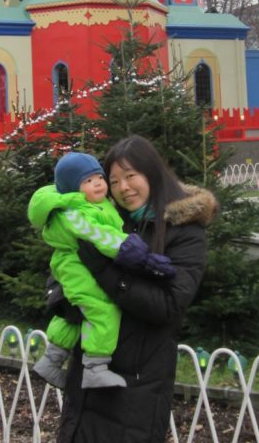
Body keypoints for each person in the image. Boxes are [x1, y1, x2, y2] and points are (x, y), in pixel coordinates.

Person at [53, 135, 218, 443]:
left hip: (141, 369)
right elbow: (72, 265)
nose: (124, 186)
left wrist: (104, 274)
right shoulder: (109, 218)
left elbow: (168, 305)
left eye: (133, 175)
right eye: (115, 177)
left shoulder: (184, 230)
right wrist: (67, 288)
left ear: (154, 173)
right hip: (102, 360)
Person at [28, 151, 174, 390]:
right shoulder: (75, 212)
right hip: (77, 270)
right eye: (88, 181)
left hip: (76, 270)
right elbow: (101, 237)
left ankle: (51, 360)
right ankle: (95, 368)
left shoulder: (94, 205)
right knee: (102, 311)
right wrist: (137, 253)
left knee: (74, 315)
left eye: (100, 178)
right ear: (72, 189)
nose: (98, 184)